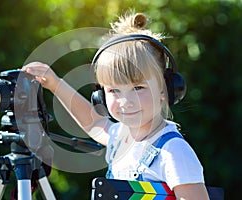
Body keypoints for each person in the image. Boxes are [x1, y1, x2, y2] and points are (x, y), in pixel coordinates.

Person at [22, 11, 209, 199]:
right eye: (113, 91)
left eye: (138, 88)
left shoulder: (173, 151)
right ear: (100, 96)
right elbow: (94, 123)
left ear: (165, 89)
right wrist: (55, 84)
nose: (125, 102)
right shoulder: (121, 138)